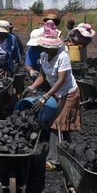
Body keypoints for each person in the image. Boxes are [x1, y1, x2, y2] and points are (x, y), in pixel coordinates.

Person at [25, 20, 80, 171]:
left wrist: (45, 96)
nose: (46, 48)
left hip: (69, 93)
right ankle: (66, 148)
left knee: (56, 124)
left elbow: (61, 80)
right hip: (56, 93)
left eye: (49, 46)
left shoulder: (63, 56)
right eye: (45, 46)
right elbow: (42, 76)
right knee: (59, 122)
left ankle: (54, 160)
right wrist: (32, 86)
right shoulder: (43, 55)